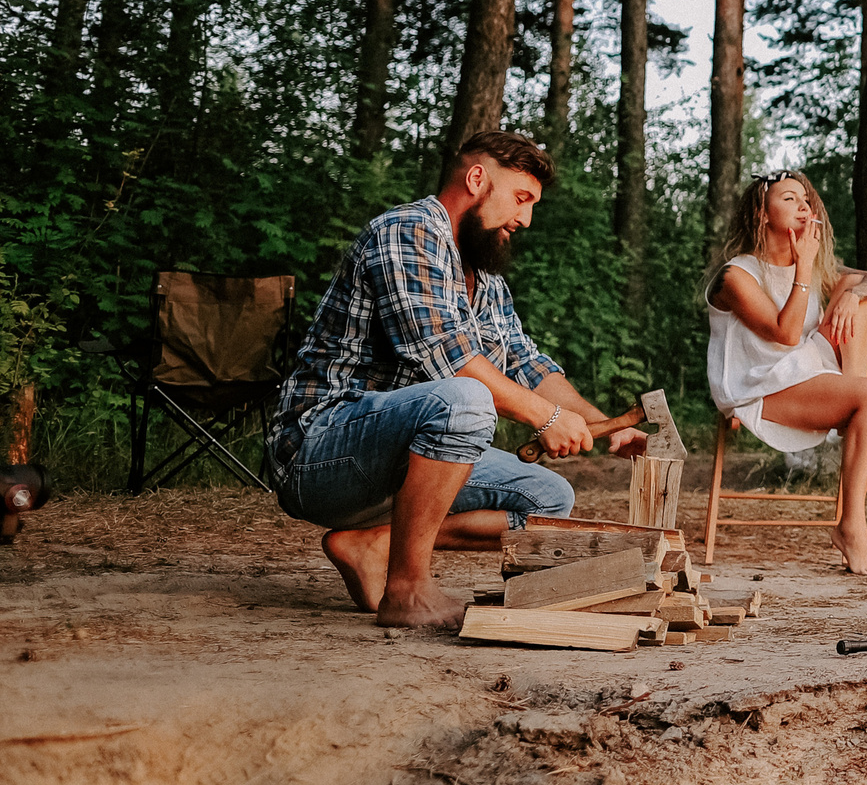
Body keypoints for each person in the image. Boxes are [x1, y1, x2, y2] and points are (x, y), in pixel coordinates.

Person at [268, 131, 646, 628]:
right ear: (476, 180)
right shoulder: (407, 231)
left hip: (394, 467)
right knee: (464, 399)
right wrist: (547, 417)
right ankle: (406, 590)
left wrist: (605, 424)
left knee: (550, 499)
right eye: (521, 198)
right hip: (320, 451)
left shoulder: (487, 281)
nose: (525, 218)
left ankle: (372, 543)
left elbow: (527, 364)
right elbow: (451, 361)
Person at [705, 170, 867, 575]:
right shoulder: (735, 275)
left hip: (803, 373)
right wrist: (806, 268)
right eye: (789, 198)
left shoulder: (814, 268)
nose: (804, 205)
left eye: (806, 199)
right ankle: (852, 526)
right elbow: (787, 333)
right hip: (757, 389)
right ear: (761, 213)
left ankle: (854, 402)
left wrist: (854, 294)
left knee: (860, 301)